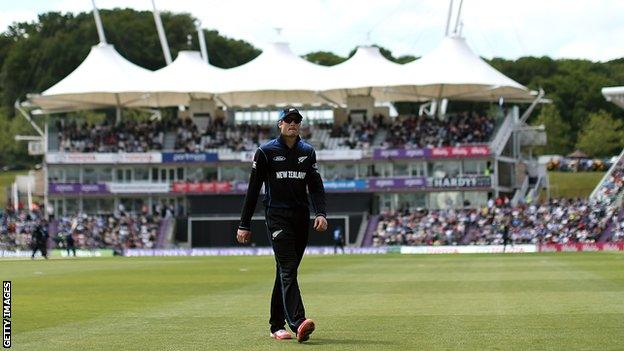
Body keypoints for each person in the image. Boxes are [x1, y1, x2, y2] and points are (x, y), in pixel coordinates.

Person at [237, 107, 327, 343]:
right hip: (277, 217)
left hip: (301, 218)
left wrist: (321, 213)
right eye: (288, 120)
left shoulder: (308, 152)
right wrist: (244, 224)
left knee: (285, 271)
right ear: (280, 123)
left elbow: (316, 186)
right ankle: (299, 322)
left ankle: (276, 325)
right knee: (287, 268)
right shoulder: (265, 152)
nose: (293, 124)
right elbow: (253, 190)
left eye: (297, 120)